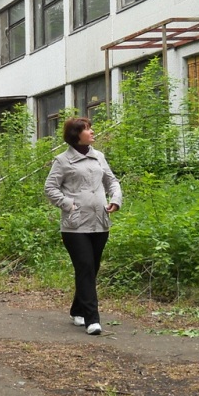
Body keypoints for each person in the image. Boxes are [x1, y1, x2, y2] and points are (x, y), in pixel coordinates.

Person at [44, 117, 122, 336]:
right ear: (75, 135)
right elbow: (50, 188)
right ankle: (92, 319)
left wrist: (115, 199)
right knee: (85, 266)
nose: (92, 131)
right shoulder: (62, 161)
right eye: (87, 129)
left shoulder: (99, 157)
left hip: (100, 222)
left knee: (91, 268)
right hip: (75, 225)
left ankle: (77, 309)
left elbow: (112, 181)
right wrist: (69, 205)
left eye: (90, 128)